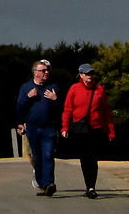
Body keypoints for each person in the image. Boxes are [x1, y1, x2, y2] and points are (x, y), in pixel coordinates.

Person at [61, 62, 116, 198]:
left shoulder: (99, 90)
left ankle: (92, 187)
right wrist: (65, 127)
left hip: (95, 129)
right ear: (81, 75)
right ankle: (88, 185)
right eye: (87, 74)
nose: (90, 76)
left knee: (93, 158)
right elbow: (67, 110)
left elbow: (106, 112)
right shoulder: (74, 89)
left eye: (91, 73)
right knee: (84, 158)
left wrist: (110, 130)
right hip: (80, 129)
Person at [17, 58, 61, 196]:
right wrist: (28, 97)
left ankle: (49, 183)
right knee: (38, 157)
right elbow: (19, 108)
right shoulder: (26, 87)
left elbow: (62, 109)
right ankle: (42, 183)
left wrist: (55, 99)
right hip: (33, 128)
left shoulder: (53, 87)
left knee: (48, 155)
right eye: (43, 70)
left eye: (47, 70)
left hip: (49, 127)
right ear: (35, 72)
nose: (46, 72)